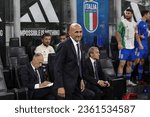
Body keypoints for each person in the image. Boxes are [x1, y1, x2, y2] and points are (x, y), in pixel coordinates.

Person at [54, 23, 86, 100]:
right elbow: (57, 67)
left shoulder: (80, 44)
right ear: (69, 33)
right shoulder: (63, 46)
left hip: (77, 84)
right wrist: (60, 86)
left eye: (80, 32)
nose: (79, 34)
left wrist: (81, 79)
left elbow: (79, 64)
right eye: (76, 32)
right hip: (66, 85)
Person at [115, 8, 142, 86]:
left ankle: (128, 81)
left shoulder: (135, 24)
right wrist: (119, 43)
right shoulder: (122, 22)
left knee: (129, 64)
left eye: (128, 13)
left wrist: (140, 44)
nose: (127, 14)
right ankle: (119, 83)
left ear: (132, 14)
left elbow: (136, 35)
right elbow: (117, 33)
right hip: (124, 47)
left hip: (132, 48)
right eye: (126, 13)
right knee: (122, 64)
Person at [132, 10, 150, 84]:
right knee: (136, 61)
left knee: (142, 61)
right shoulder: (139, 22)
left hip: (145, 45)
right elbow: (135, 34)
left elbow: (146, 34)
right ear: (145, 14)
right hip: (139, 45)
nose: (149, 15)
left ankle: (139, 79)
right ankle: (130, 78)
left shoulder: (146, 24)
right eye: (149, 14)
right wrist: (140, 43)